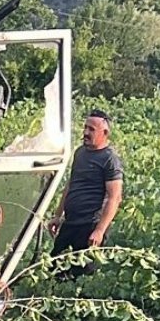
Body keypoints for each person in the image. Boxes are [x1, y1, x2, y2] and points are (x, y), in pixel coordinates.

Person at [49, 109, 124, 278]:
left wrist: (99, 230)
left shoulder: (110, 160)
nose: (85, 133)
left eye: (91, 129)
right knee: (54, 268)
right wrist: (57, 215)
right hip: (70, 223)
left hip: (89, 226)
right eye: (85, 128)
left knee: (82, 275)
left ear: (105, 133)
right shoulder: (80, 153)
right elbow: (70, 185)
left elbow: (115, 198)